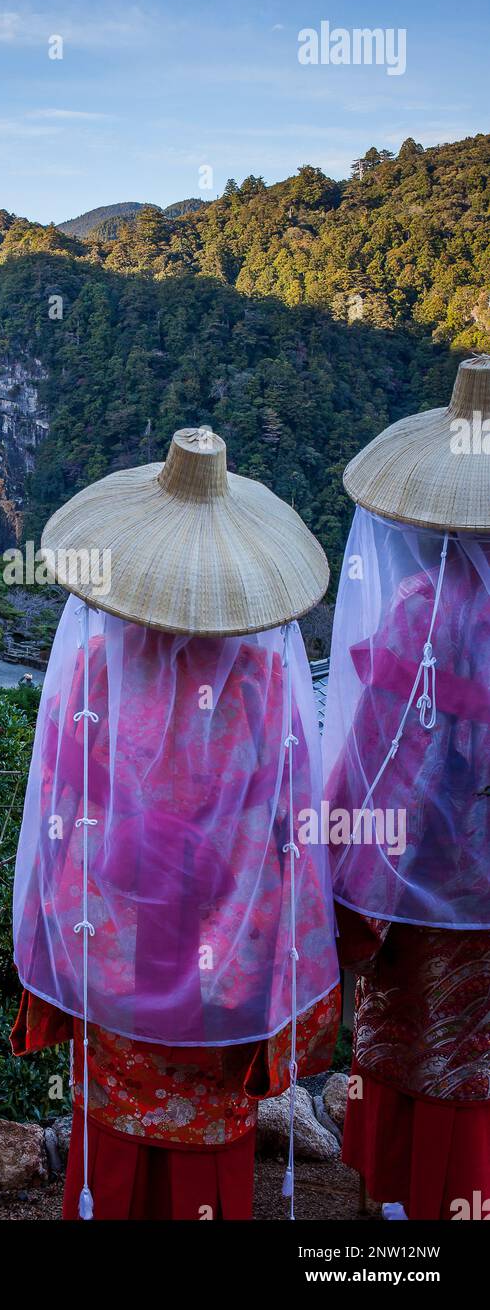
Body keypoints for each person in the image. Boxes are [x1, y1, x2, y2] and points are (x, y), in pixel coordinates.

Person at [12, 427, 341, 1220]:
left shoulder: (93, 669)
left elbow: (58, 814)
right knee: (208, 1161)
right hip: (226, 951)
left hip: (112, 943)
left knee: (114, 1140)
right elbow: (292, 836)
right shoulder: (266, 683)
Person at [324, 354, 490, 1221]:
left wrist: (344, 864)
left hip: (433, 882)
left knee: (419, 1041)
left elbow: (381, 757)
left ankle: (407, 1211)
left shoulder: (426, 608)